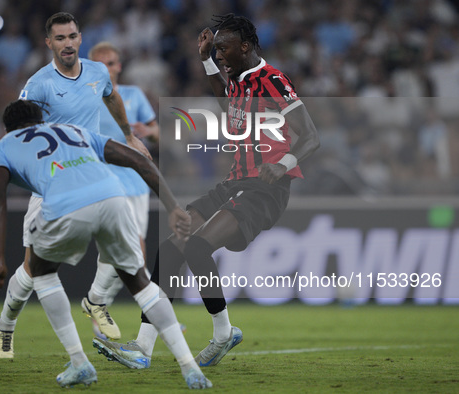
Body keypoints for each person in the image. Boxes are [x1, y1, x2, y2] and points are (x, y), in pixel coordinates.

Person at [92, 13, 320, 369]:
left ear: (245, 46)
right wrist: (205, 61)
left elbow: (310, 135)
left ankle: (222, 332)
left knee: (197, 247)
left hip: (264, 188)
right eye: (217, 50)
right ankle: (143, 348)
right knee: (170, 250)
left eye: (224, 49)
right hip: (233, 183)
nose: (221, 55)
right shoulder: (240, 82)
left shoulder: (272, 80)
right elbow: (226, 105)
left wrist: (284, 163)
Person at [0, 99, 212, 389]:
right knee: (140, 282)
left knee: (40, 271)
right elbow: (139, 161)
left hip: (65, 203)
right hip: (113, 197)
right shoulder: (73, 130)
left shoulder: (2, 147)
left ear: (7, 129)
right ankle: (190, 369)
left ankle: (79, 363)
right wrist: (174, 207)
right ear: (41, 121)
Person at [0, 12, 150, 358]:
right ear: (49, 44)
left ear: (80, 38)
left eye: (72, 36)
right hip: (53, 186)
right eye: (59, 38)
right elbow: (18, 130)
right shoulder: (39, 84)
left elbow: (111, 97)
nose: (67, 44)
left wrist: (129, 135)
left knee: (128, 247)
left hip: (93, 175)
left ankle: (97, 302)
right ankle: (6, 324)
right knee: (33, 270)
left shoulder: (97, 72)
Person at [81, 41, 160, 337]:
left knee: (120, 255)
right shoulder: (84, 99)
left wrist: (148, 131)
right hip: (103, 184)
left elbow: (157, 134)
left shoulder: (133, 95)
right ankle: (157, 315)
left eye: (112, 63)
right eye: (102, 65)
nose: (109, 69)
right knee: (133, 250)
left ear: (120, 65)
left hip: (137, 184)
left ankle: (98, 306)